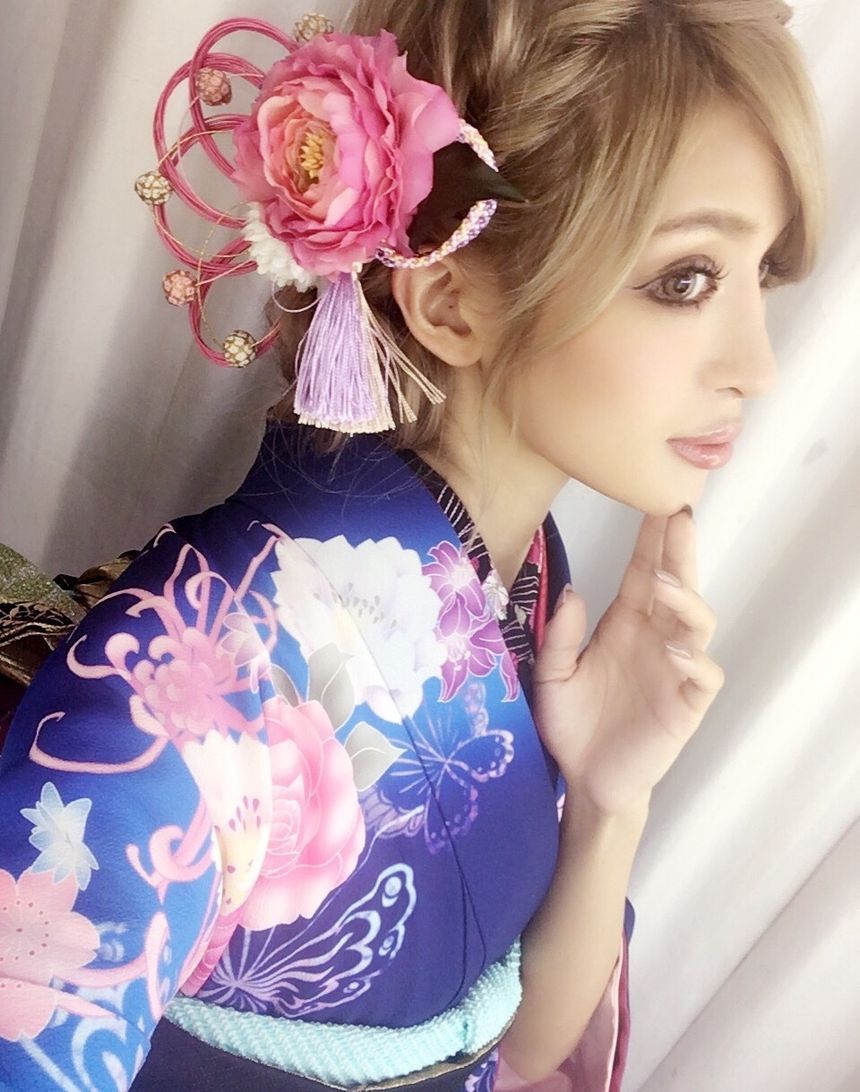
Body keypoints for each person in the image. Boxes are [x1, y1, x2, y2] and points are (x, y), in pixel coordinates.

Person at [0, 1, 828, 1089]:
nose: (757, 367)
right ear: (448, 302)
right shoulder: (181, 691)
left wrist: (609, 795)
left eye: (758, 276)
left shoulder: (524, 596)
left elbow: (514, 1045)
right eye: (686, 280)